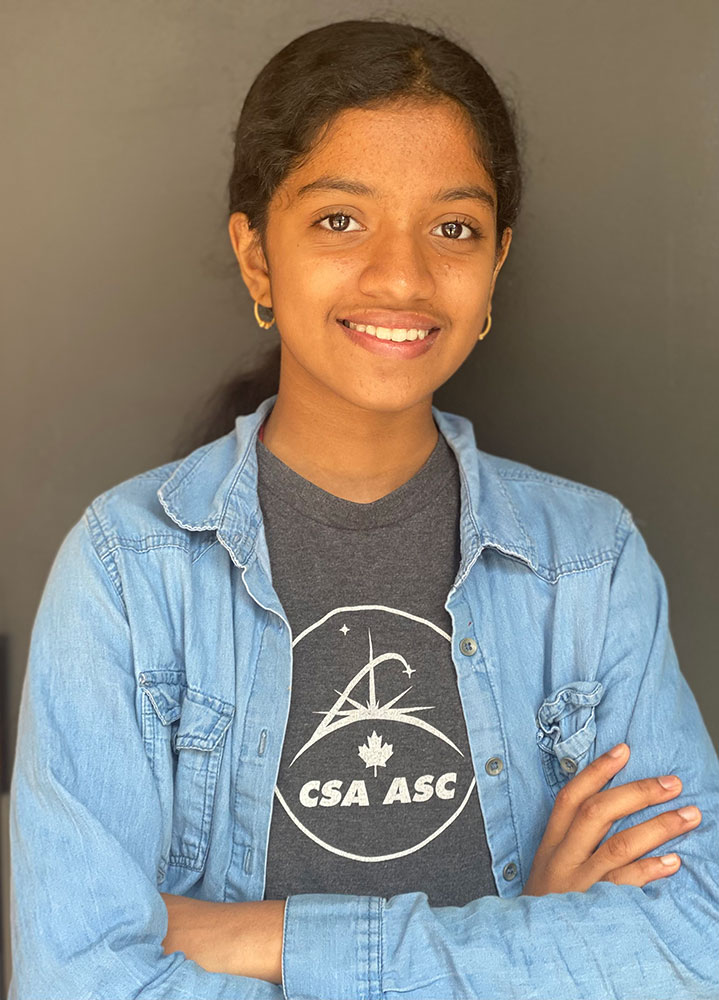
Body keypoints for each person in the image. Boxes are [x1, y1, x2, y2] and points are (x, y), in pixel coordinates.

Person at [8, 16, 719, 1000]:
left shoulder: (585, 565)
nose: (401, 275)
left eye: (454, 228)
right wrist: (533, 941)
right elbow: (78, 979)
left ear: (494, 266)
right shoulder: (131, 572)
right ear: (258, 257)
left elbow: (692, 947)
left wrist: (271, 939)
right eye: (339, 220)